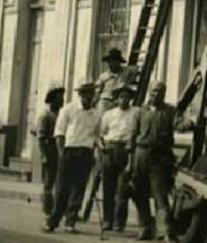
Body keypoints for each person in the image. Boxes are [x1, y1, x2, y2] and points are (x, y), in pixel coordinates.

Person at [44, 80, 101, 234]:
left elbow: (96, 136)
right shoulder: (69, 109)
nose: (88, 97)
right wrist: (62, 152)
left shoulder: (96, 114)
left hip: (86, 154)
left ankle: (71, 222)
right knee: (62, 188)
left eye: (91, 93)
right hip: (69, 152)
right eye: (85, 93)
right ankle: (53, 222)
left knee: (79, 189)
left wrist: (94, 154)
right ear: (80, 94)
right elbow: (59, 132)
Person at [129, 80, 178, 243]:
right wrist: (130, 162)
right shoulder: (140, 112)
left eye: (159, 92)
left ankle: (167, 233)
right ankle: (144, 228)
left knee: (160, 196)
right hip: (140, 154)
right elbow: (132, 136)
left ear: (164, 94)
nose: (155, 94)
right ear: (149, 92)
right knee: (139, 193)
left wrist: (190, 123)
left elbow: (180, 123)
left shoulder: (169, 111)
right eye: (153, 91)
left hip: (159, 157)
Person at [97, 83, 139, 232]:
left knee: (122, 189)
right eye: (121, 97)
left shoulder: (136, 113)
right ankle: (107, 220)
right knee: (108, 188)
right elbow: (100, 135)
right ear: (117, 98)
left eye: (127, 97)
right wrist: (102, 149)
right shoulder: (109, 115)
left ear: (131, 98)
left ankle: (119, 222)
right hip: (110, 150)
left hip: (126, 151)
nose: (124, 100)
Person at [31, 81, 65, 217]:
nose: (61, 101)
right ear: (52, 100)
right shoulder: (44, 115)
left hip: (59, 149)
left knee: (60, 181)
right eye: (59, 98)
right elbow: (40, 138)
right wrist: (44, 156)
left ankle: (57, 208)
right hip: (49, 148)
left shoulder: (61, 115)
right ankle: (47, 208)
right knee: (48, 182)